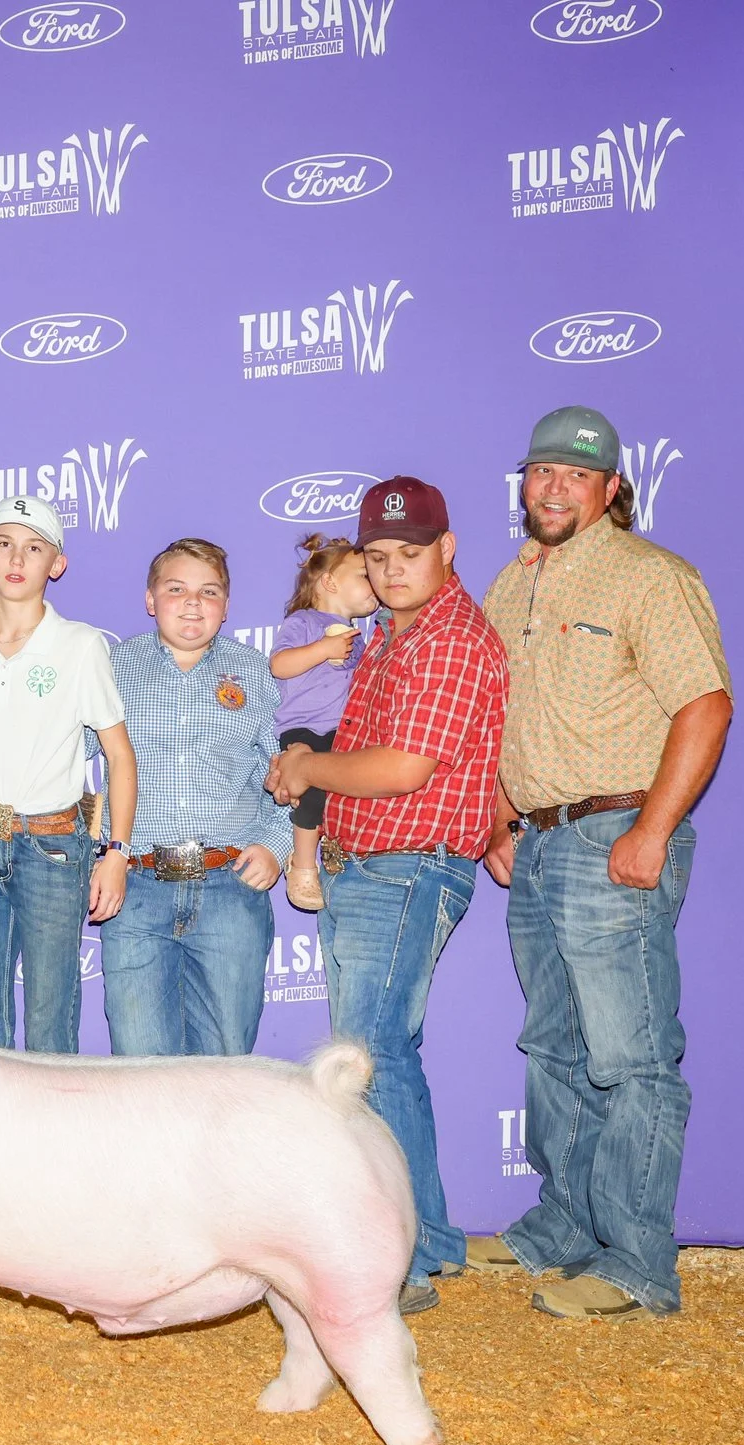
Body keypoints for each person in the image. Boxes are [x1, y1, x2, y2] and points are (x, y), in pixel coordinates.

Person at [470, 406, 733, 1321]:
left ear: (611, 488)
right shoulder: (511, 586)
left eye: (574, 476)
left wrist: (652, 831)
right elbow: (504, 715)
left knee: (631, 1056)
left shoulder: (651, 577)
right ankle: (563, 1225)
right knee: (554, 1047)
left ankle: (639, 1260)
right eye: (540, 471)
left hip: (615, 832)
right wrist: (502, 816)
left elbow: (704, 706)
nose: (551, 487)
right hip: (540, 841)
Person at [265, 477, 508, 1317]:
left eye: (409, 553)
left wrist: (306, 769)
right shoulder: (389, 637)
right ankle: (425, 1241)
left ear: (448, 548)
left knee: (372, 1056)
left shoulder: (446, 637)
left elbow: (405, 769)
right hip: (368, 863)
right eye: (377, 557)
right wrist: (304, 767)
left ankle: (400, 1254)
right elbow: (358, 746)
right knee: (380, 1054)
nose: (393, 569)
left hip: (408, 862)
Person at [0, 496, 136, 1053]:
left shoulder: (80, 645)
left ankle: (53, 1140)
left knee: (51, 1018)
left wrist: (115, 852)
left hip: (54, 847)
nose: (16, 558)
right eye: (3, 543)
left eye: (34, 547)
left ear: (57, 563)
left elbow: (119, 756)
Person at [101, 538, 290, 1057]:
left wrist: (278, 844)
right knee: (141, 1071)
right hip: (136, 889)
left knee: (226, 1071)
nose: (191, 603)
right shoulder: (113, 668)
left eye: (208, 592)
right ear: (149, 599)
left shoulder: (256, 671)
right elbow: (76, 766)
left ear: (226, 607)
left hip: (230, 888)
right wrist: (103, 853)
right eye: (176, 589)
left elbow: (287, 768)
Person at [268, 533, 380, 911]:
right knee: (313, 790)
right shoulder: (304, 622)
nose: (375, 581)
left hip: (344, 731)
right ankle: (301, 865)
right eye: (365, 574)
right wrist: (323, 649)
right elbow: (280, 665)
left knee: (349, 790)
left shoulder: (362, 638)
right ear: (330, 582)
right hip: (303, 728)